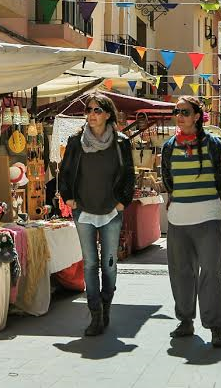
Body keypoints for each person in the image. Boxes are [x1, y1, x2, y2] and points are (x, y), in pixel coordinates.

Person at [58, 94, 136, 337]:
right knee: (90, 264)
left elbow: (129, 175)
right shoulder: (75, 141)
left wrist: (123, 202)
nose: (91, 114)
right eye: (88, 110)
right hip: (83, 210)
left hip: (112, 210)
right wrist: (68, 197)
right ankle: (95, 315)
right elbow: (65, 172)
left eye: (97, 110)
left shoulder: (121, 142)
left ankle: (107, 304)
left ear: (108, 114)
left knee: (109, 265)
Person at [161, 96, 221, 348]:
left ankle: (215, 326)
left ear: (196, 116)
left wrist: (214, 200)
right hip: (178, 221)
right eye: (176, 111)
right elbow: (167, 179)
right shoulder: (169, 146)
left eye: (185, 111)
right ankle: (185, 321)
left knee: (211, 274)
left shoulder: (213, 144)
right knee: (181, 273)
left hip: (208, 218)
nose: (179, 116)